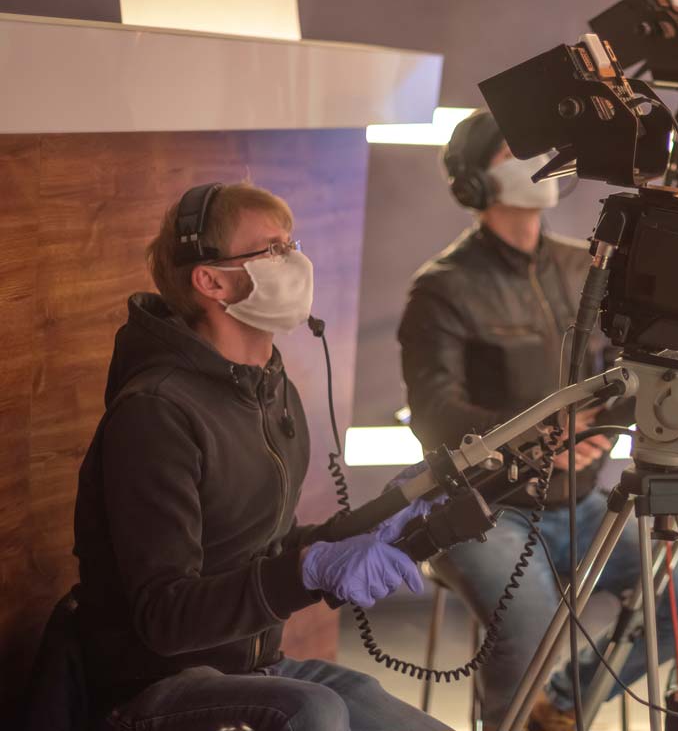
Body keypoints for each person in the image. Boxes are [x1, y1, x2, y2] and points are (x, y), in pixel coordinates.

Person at [72, 183, 448, 731]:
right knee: (314, 713)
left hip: (258, 670)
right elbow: (164, 618)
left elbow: (265, 547)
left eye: (291, 244)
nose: (294, 261)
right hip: (153, 688)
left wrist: (379, 518)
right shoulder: (156, 412)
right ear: (212, 280)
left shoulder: (269, 387)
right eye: (271, 249)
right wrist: (309, 570)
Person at [398, 110, 678, 731]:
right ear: (473, 181)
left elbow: (628, 373)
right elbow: (435, 416)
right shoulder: (442, 289)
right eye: (511, 153)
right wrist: (540, 443)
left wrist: (675, 394)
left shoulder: (583, 268)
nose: (534, 165)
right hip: (485, 510)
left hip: (585, 505)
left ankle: (556, 706)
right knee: (530, 620)